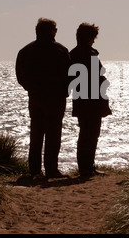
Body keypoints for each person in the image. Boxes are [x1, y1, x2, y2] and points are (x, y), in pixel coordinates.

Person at [16, 18, 71, 178]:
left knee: (36, 133)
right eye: (55, 29)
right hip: (55, 98)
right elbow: (69, 75)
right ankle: (51, 169)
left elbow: (20, 76)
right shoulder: (60, 50)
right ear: (51, 31)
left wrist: (30, 88)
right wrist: (63, 90)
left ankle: (35, 170)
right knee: (53, 134)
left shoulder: (26, 51)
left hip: (35, 97)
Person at [69, 23, 112, 177]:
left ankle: (87, 166)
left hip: (81, 98)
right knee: (91, 132)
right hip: (92, 99)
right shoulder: (89, 54)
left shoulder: (73, 54)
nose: (94, 40)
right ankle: (86, 167)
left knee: (87, 132)